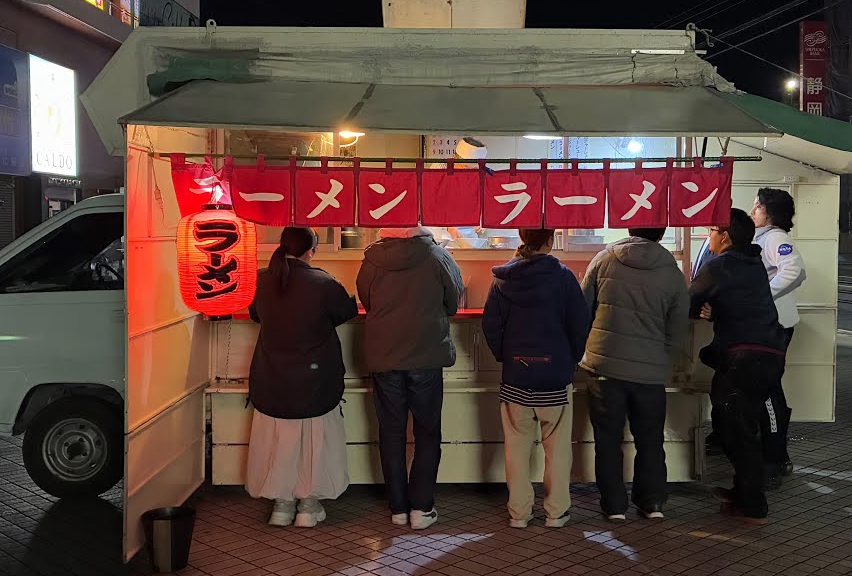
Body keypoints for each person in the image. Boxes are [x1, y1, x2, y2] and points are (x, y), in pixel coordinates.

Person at [244, 227, 359, 528]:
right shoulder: (322, 283)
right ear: (310, 251)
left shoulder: (262, 279)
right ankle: (309, 506)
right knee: (315, 440)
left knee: (277, 441)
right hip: (315, 383)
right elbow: (347, 312)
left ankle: (281, 507)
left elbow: (255, 314)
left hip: (273, 379)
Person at [357, 225, 466, 529]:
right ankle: (421, 508)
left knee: (390, 433)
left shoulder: (372, 260)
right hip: (426, 355)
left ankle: (398, 508)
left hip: (384, 356)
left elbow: (367, 302)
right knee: (427, 433)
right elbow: (453, 302)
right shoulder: (438, 256)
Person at [482, 229, 591, 529]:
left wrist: (507, 357)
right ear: (551, 240)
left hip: (516, 378)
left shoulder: (503, 279)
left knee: (516, 449)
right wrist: (569, 360)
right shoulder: (564, 278)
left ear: (521, 236)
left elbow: (491, 325)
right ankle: (556, 513)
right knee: (557, 451)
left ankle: (519, 514)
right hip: (555, 379)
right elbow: (580, 324)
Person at [580, 228, 690, 521]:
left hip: (605, 368)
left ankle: (614, 506)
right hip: (651, 373)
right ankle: (652, 502)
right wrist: (661, 359)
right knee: (651, 439)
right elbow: (678, 330)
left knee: (607, 439)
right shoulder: (671, 271)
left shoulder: (603, 260)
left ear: (629, 228)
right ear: (661, 232)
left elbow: (582, 310)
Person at [689, 209, 789, 525]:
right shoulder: (753, 266)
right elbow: (742, 305)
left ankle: (753, 504)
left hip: (744, 358)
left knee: (735, 428)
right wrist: (715, 311)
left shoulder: (719, 266)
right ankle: (744, 490)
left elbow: (688, 303)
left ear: (725, 236)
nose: (709, 237)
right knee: (737, 424)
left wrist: (704, 308)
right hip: (770, 354)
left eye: (711, 231)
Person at [750, 188, 806, 488]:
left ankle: (776, 459)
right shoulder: (763, 237)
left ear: (770, 212)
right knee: (767, 390)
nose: (753, 210)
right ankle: (774, 454)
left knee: (769, 391)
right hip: (768, 323)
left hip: (776, 325)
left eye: (757, 206)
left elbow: (795, 272)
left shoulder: (776, 238)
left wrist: (762, 294)